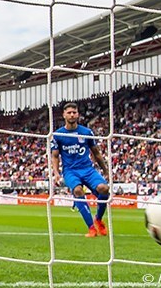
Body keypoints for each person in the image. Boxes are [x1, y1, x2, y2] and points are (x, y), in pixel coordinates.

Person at [51, 102, 110, 238]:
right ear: (64, 115)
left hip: (87, 169)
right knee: (78, 190)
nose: (72, 115)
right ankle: (91, 228)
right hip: (70, 171)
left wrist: (105, 170)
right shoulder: (58, 135)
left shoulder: (86, 132)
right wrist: (56, 173)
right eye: (69, 112)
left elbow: (96, 153)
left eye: (74, 112)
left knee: (104, 189)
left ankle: (98, 219)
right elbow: (55, 156)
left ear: (78, 114)